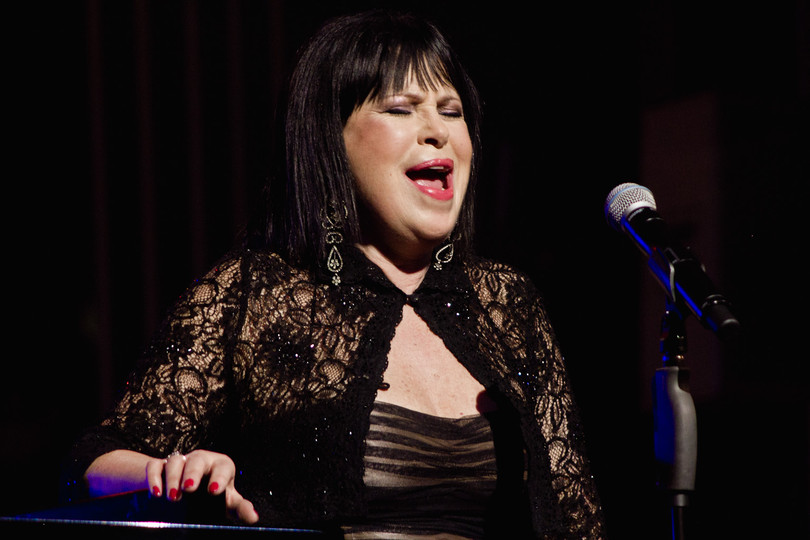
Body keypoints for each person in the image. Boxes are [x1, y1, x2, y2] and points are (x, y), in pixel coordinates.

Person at [65, 9, 606, 539]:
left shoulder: (507, 303)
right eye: (401, 109)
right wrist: (173, 475)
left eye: (451, 110)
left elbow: (576, 516)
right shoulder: (257, 294)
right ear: (331, 140)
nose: (437, 131)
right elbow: (93, 463)